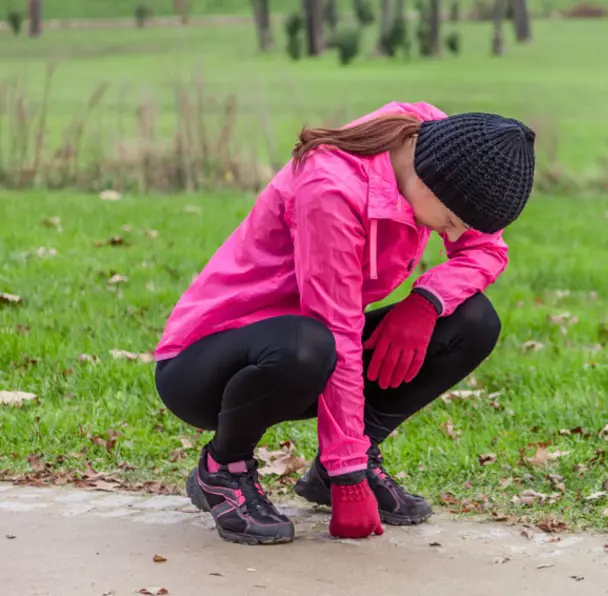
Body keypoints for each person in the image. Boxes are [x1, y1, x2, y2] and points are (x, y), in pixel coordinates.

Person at [152, 101, 536, 545]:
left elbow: (486, 250)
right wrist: (348, 477)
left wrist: (426, 302)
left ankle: (336, 468)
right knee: (309, 346)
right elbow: (337, 329)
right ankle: (223, 469)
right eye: (451, 222)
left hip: (309, 346)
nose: (452, 235)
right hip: (206, 364)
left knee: (472, 320)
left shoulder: (443, 146)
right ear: (431, 183)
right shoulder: (331, 189)